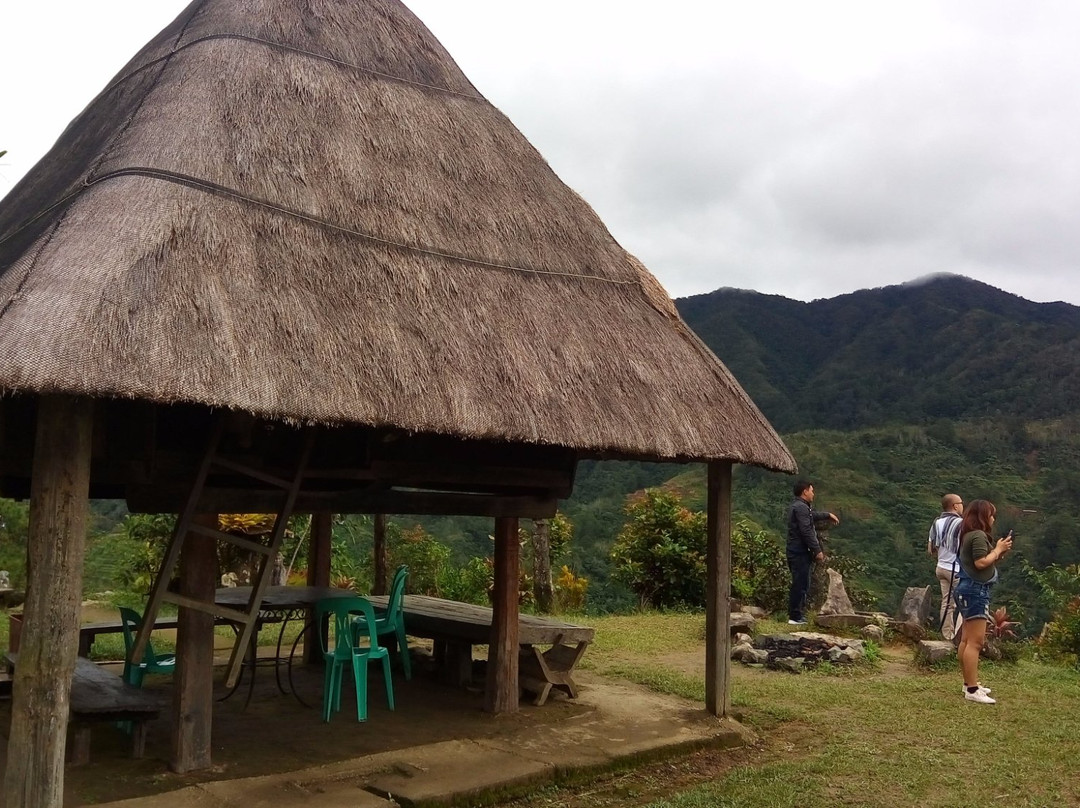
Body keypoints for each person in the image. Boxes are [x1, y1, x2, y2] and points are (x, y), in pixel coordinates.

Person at [954, 499, 1012, 704]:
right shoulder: (978, 535)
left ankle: (969, 683)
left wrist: (998, 552)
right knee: (976, 642)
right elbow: (980, 563)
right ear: (983, 516)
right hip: (975, 590)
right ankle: (972, 689)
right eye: (991, 514)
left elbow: (983, 560)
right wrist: (997, 549)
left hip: (966, 588)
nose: (993, 519)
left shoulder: (968, 534)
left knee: (966, 640)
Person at [785, 480, 840, 625]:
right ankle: (795, 616)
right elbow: (806, 530)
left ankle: (797, 615)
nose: (813, 494)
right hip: (799, 551)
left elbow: (811, 516)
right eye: (812, 490)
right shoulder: (801, 507)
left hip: (796, 550)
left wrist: (827, 515)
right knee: (800, 583)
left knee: (802, 582)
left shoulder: (800, 507)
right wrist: (817, 550)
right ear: (805, 491)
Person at [928, 493, 964, 640]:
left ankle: (947, 635)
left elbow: (930, 548)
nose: (962, 506)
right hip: (955, 570)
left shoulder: (937, 522)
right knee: (966, 602)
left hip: (941, 567)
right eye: (961, 503)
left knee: (947, 603)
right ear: (955, 506)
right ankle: (961, 638)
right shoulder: (961, 523)